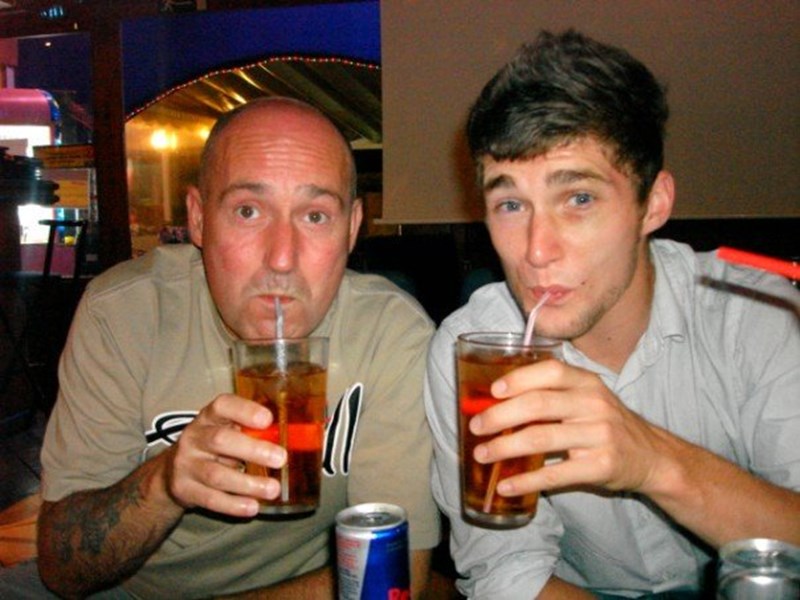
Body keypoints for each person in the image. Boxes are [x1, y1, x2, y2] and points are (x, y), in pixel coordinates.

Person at [1, 97, 440, 598]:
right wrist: (165, 482)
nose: (281, 258)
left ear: (353, 228)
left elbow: (392, 574)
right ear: (198, 218)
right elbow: (62, 566)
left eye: (316, 216)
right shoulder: (125, 313)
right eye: (248, 211)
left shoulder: (389, 332)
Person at [424, 30, 800, 598]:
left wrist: (656, 462)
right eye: (510, 203)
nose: (536, 250)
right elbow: (506, 572)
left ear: (654, 204)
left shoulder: (758, 316)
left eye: (578, 198)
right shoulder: (473, 352)